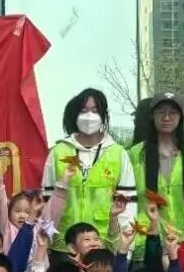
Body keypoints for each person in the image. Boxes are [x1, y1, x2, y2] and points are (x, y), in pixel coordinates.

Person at [42, 89, 137, 254]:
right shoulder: (58, 152)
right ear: (75, 114)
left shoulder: (118, 153)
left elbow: (128, 204)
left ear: (103, 115)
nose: (89, 116)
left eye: (95, 111)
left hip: (102, 246)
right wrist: (44, 246)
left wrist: (125, 250)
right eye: (84, 110)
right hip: (63, 247)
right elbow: (46, 200)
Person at [130, 93, 184, 266]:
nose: (166, 117)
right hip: (147, 240)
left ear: (181, 117)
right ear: (152, 116)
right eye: (161, 112)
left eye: (173, 112)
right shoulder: (136, 154)